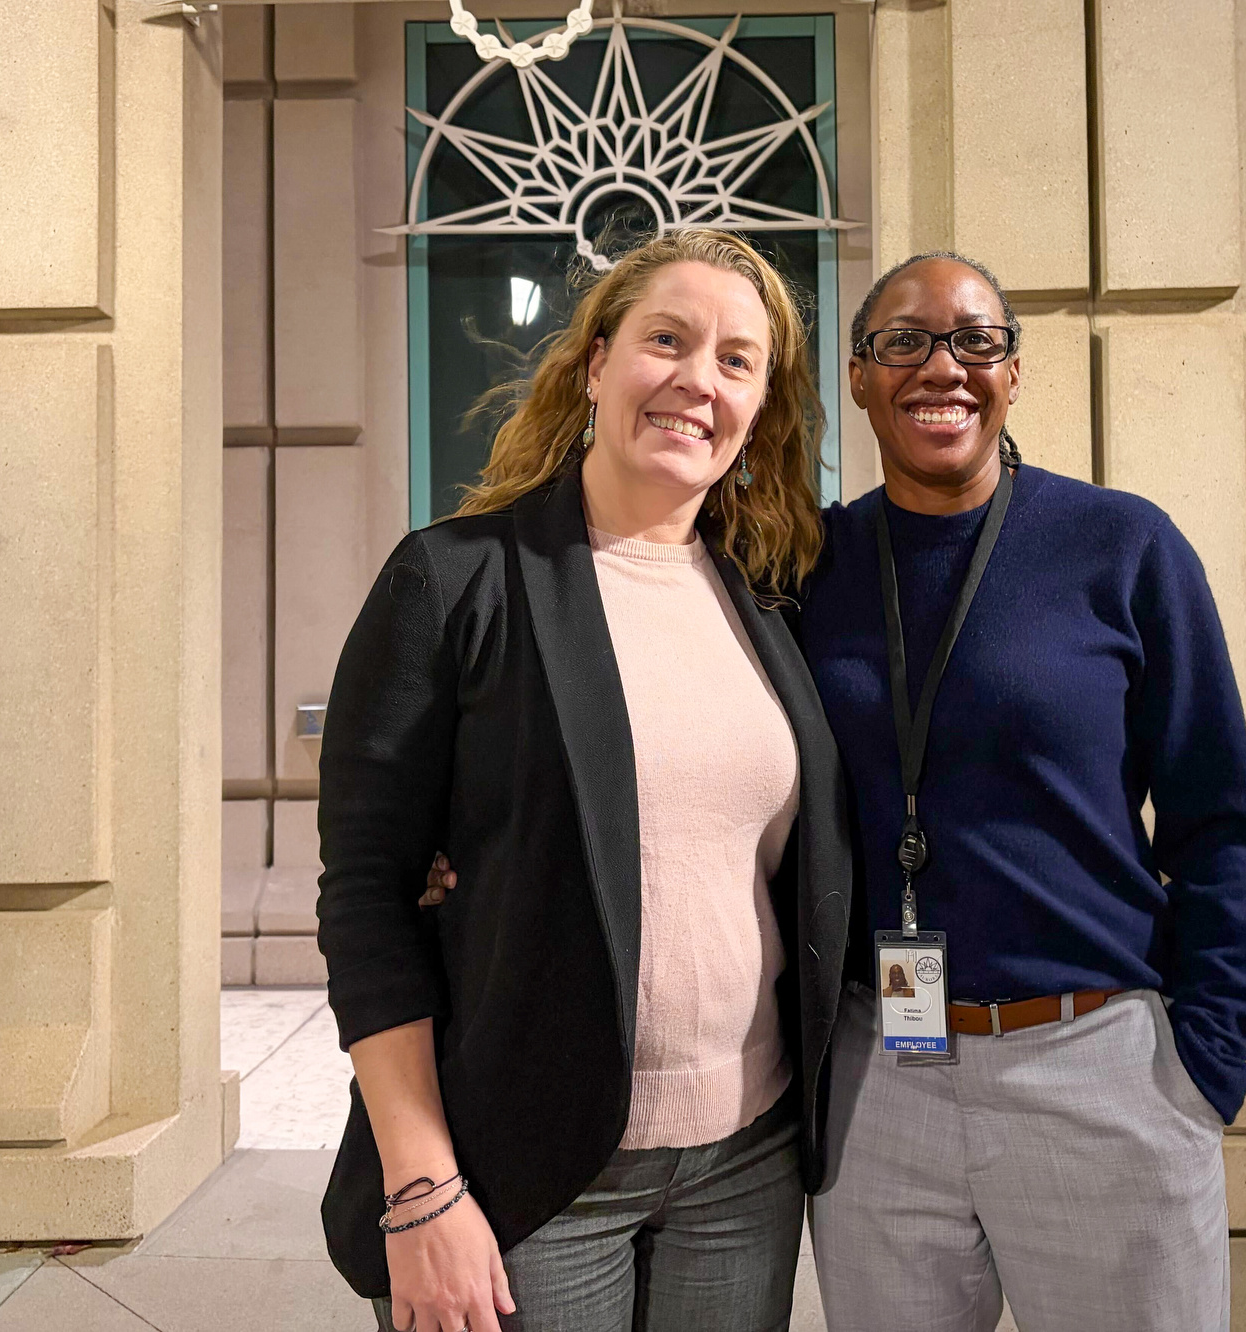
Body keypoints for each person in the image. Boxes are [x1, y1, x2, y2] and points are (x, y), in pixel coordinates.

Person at [315, 228, 851, 1332]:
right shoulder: (455, 581)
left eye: (737, 360)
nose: (698, 380)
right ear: (597, 363)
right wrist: (420, 1187)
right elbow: (366, 898)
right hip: (520, 1164)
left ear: (759, 408)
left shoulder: (767, 599)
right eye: (667, 340)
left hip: (745, 1162)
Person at [795, 251, 1246, 1332]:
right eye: (904, 341)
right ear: (860, 377)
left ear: (1012, 373)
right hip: (879, 1078)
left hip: (1096, 1065)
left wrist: (1206, 1060)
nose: (943, 367)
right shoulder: (812, 564)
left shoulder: (1122, 546)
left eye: (976, 340)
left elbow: (1219, 822)